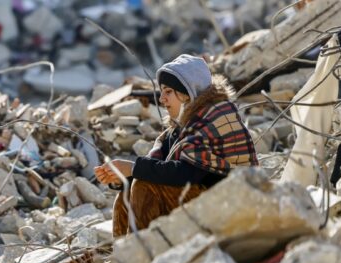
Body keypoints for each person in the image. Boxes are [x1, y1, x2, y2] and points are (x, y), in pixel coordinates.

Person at [94, 54, 258, 237]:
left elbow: (187, 174)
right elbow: (158, 170)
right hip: (200, 203)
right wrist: (121, 178)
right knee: (126, 194)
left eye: (168, 92)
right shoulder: (178, 131)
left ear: (188, 93)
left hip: (230, 205)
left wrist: (134, 168)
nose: (161, 99)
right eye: (162, 91)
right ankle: (126, 258)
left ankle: (142, 254)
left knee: (143, 187)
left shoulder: (216, 119)